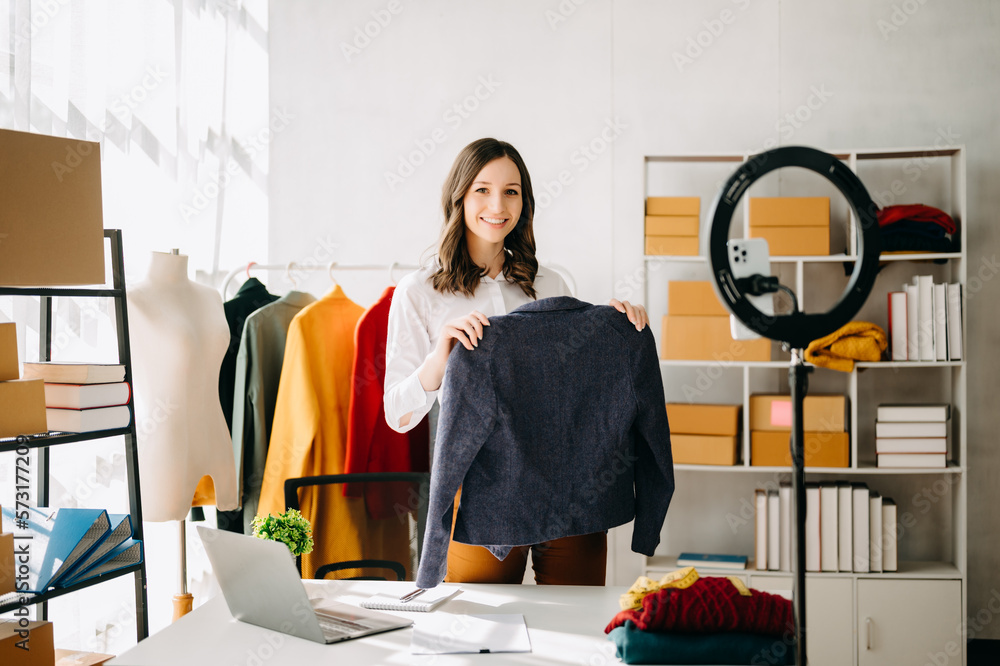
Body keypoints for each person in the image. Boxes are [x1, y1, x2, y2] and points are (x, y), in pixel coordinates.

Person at [384, 137, 648, 585]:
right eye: (482, 189)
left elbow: (575, 387)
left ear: (524, 203)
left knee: (575, 631)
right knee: (477, 630)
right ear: (459, 196)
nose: (497, 204)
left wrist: (611, 325)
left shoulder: (551, 282)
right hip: (481, 493)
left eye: (511, 191)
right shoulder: (419, 291)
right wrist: (440, 357)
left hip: (569, 487)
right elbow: (398, 415)